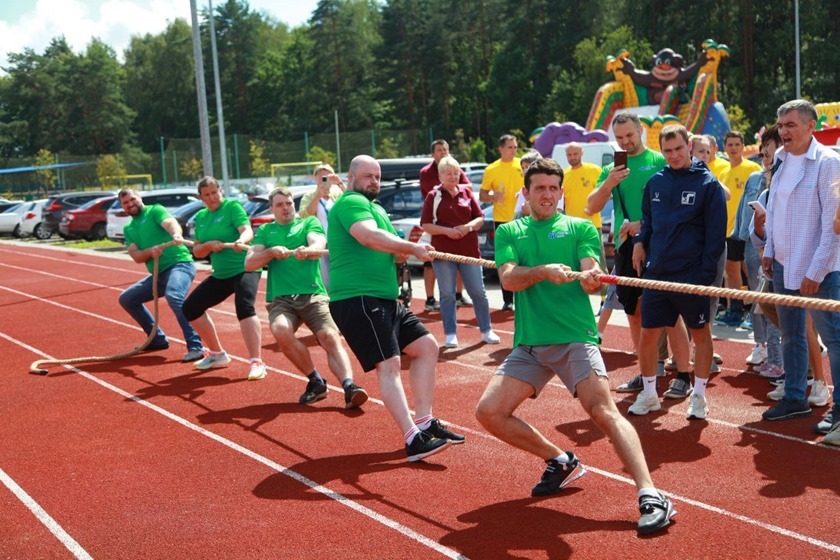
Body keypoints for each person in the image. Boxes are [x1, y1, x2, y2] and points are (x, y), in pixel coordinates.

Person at [474, 158, 675, 535]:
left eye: (553, 188)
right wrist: (543, 271)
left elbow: (592, 276)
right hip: (530, 345)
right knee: (489, 412)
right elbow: (509, 279)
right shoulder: (510, 232)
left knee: (604, 412)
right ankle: (560, 459)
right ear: (526, 193)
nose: (547, 195)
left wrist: (590, 280)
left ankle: (651, 493)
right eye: (540, 188)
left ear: (561, 192)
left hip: (574, 339)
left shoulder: (580, 226)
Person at [328, 155, 465, 461]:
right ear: (350, 177)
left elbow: (391, 250)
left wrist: (405, 252)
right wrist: (410, 248)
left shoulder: (377, 209)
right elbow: (368, 236)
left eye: (377, 177)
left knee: (427, 347)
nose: (374, 182)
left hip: (385, 298)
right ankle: (412, 438)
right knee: (388, 364)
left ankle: (425, 421)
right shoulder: (351, 203)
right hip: (358, 297)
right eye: (367, 176)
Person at [627, 124, 726, 418]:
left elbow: (715, 236)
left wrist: (703, 277)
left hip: (691, 276)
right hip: (657, 273)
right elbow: (648, 221)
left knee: (701, 334)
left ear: (689, 145)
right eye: (667, 150)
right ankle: (648, 394)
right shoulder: (656, 182)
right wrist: (640, 241)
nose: (673, 155)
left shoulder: (708, 184)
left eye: (678, 149)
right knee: (648, 335)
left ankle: (699, 396)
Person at [760, 100, 840, 447]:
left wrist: (817, 269)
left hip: (819, 270)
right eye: (781, 125)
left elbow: (833, 226)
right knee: (790, 333)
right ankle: (795, 396)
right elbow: (775, 209)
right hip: (782, 264)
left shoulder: (829, 163)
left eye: (791, 124)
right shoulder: (779, 160)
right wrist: (768, 251)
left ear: (811, 126)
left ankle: (838, 413)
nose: (784, 131)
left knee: (834, 340)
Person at [245, 187, 369, 408]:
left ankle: (349, 386)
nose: (286, 208)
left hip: (313, 295)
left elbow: (319, 244)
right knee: (280, 330)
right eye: (280, 205)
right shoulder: (265, 231)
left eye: (289, 203)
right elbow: (250, 262)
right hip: (282, 299)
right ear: (272, 208)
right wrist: (271, 252)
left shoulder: (308, 223)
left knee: (330, 336)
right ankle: (315, 380)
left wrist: (309, 250)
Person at [587, 112, 679, 389]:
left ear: (640, 130)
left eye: (630, 135)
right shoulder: (613, 168)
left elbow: (676, 204)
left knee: (672, 310)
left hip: (661, 244)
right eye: (620, 137)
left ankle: (682, 372)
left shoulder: (660, 160)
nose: (625, 141)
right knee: (634, 313)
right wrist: (609, 183)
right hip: (626, 247)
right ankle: (647, 370)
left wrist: (643, 224)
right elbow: (591, 206)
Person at [182, 176, 266, 381]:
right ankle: (217, 354)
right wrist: (210, 245)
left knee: (244, 307)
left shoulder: (232, 206)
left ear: (220, 190)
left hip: (244, 268)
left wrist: (240, 240)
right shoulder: (201, 216)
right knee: (190, 308)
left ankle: (257, 362)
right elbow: (198, 251)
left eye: (214, 192)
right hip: (221, 275)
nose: (212, 197)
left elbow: (246, 230)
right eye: (207, 195)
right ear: (201, 198)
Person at [420, 155, 500, 348]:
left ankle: (486, 330)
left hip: (469, 252)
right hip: (443, 253)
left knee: (478, 292)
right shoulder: (434, 196)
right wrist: (447, 231)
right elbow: (426, 224)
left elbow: (480, 217)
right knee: (447, 294)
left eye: (456, 173)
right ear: (440, 176)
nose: (453, 176)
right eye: (448, 173)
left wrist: (468, 227)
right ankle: (450, 334)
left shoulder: (466, 193)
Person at [117, 188, 204, 362]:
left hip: (180, 265)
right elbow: (136, 256)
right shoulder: (129, 228)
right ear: (123, 207)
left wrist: (176, 234)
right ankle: (156, 339)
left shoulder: (155, 210)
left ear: (139, 198)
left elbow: (170, 223)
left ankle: (196, 346)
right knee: (127, 298)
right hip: (159, 275)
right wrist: (149, 252)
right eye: (125, 202)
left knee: (174, 296)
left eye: (132, 199)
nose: (130, 204)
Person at [732, 126, 783, 370]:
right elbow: (745, 215)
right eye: (762, 155)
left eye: (769, 155)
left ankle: (778, 360)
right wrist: (744, 242)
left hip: (779, 253)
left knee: (775, 307)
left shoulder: (784, 180)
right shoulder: (756, 179)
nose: (765, 161)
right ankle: (762, 347)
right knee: (758, 301)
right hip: (755, 248)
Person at [418, 139, 472, 310]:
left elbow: (469, 186)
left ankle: (458, 295)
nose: (443, 152)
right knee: (430, 262)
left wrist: (455, 184)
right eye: (440, 150)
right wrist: (453, 185)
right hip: (434, 222)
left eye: (446, 149)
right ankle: (430, 299)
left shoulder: (456, 168)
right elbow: (435, 191)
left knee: (458, 260)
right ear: (432, 154)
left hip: (455, 222)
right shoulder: (426, 172)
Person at [718, 131, 763, 327]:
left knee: (752, 271)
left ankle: (757, 314)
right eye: (730, 144)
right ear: (725, 147)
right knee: (730, 271)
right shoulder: (723, 172)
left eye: (737, 144)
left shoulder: (752, 169)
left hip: (748, 230)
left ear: (743, 146)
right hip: (729, 230)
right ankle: (735, 310)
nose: (734, 148)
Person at [480, 134, 524, 311]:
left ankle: (523, 299)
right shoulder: (492, 169)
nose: (513, 150)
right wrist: (492, 196)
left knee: (523, 260)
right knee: (506, 260)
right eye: (510, 147)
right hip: (502, 221)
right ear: (501, 149)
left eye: (515, 147)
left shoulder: (522, 164)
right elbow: (482, 195)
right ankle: (508, 300)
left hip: (523, 219)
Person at [298, 163, 346, 290]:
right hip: (320, 243)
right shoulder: (309, 196)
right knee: (324, 280)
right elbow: (305, 215)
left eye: (327, 177)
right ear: (315, 178)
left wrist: (340, 183)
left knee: (342, 276)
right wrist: (318, 195)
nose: (324, 180)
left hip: (339, 243)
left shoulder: (338, 194)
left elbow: (355, 200)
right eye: (321, 177)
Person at [563, 142, 602, 229]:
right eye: (569, 155)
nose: (572, 157)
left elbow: (605, 193)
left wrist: (594, 208)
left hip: (592, 225)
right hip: (572, 227)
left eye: (575, 154)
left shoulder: (595, 170)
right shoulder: (563, 175)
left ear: (582, 153)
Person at [513, 150, 545, 218]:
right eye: (523, 168)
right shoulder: (524, 189)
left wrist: (530, 212)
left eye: (527, 167)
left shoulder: (548, 186)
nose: (525, 170)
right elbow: (518, 213)